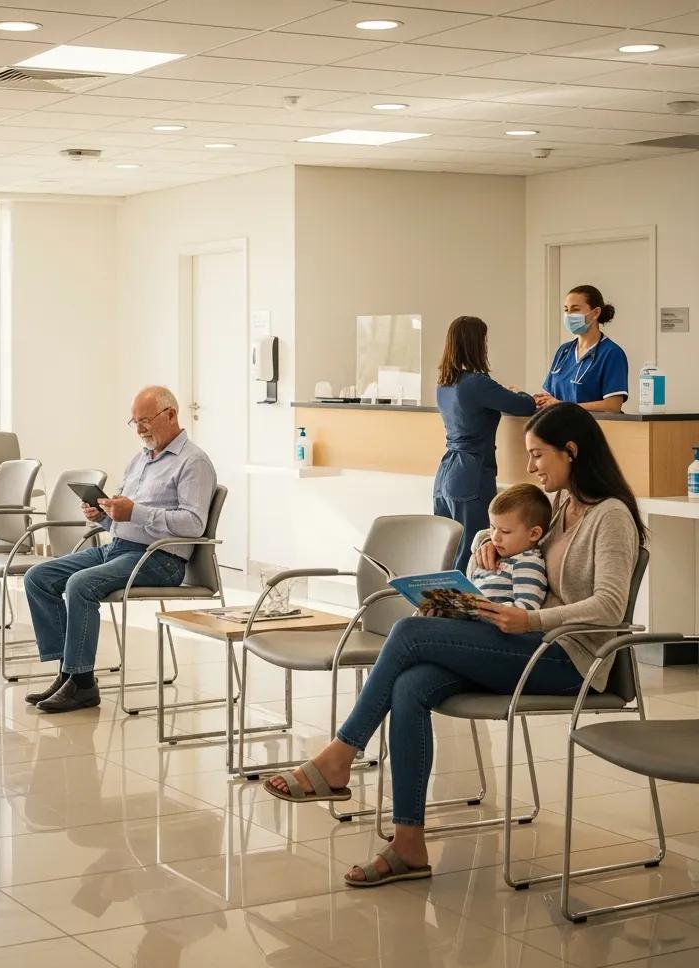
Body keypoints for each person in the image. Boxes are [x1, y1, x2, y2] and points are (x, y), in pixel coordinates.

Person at [261, 402, 643, 889]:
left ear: (571, 451)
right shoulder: (565, 505)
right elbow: (520, 533)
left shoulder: (611, 517)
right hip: (527, 644)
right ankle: (408, 844)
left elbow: (610, 607)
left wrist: (531, 617)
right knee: (412, 685)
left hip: (570, 661)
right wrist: (489, 540)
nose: (530, 468)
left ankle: (339, 757)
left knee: (408, 632)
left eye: (538, 455)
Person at [22, 386, 217, 714]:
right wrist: (103, 517)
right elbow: (122, 520)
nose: (139, 429)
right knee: (38, 577)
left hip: (159, 558)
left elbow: (194, 524)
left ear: (171, 415)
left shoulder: (193, 462)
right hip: (120, 548)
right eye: (134, 422)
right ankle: (68, 672)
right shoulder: (140, 460)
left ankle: (82, 685)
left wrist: (135, 512)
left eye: (145, 420)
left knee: (80, 586)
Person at [433, 315, 536, 570]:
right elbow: (524, 404)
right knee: (474, 552)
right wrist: (516, 393)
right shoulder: (477, 383)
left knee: (447, 552)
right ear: (476, 344)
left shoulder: (444, 384)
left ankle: (441, 607)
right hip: (471, 472)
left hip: (446, 472)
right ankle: (466, 609)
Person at [535, 285, 628, 413]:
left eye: (575, 309)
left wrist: (563, 405)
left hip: (592, 428)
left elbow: (612, 406)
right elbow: (547, 398)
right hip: (560, 427)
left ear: (596, 313)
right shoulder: (564, 351)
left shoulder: (611, 353)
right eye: (566, 310)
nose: (568, 315)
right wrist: (523, 397)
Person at [467, 483, 550, 611]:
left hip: (493, 628)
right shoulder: (498, 556)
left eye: (505, 531)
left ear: (534, 534)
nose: (495, 537)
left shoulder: (527, 564)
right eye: (493, 527)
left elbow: (526, 609)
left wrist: (481, 610)